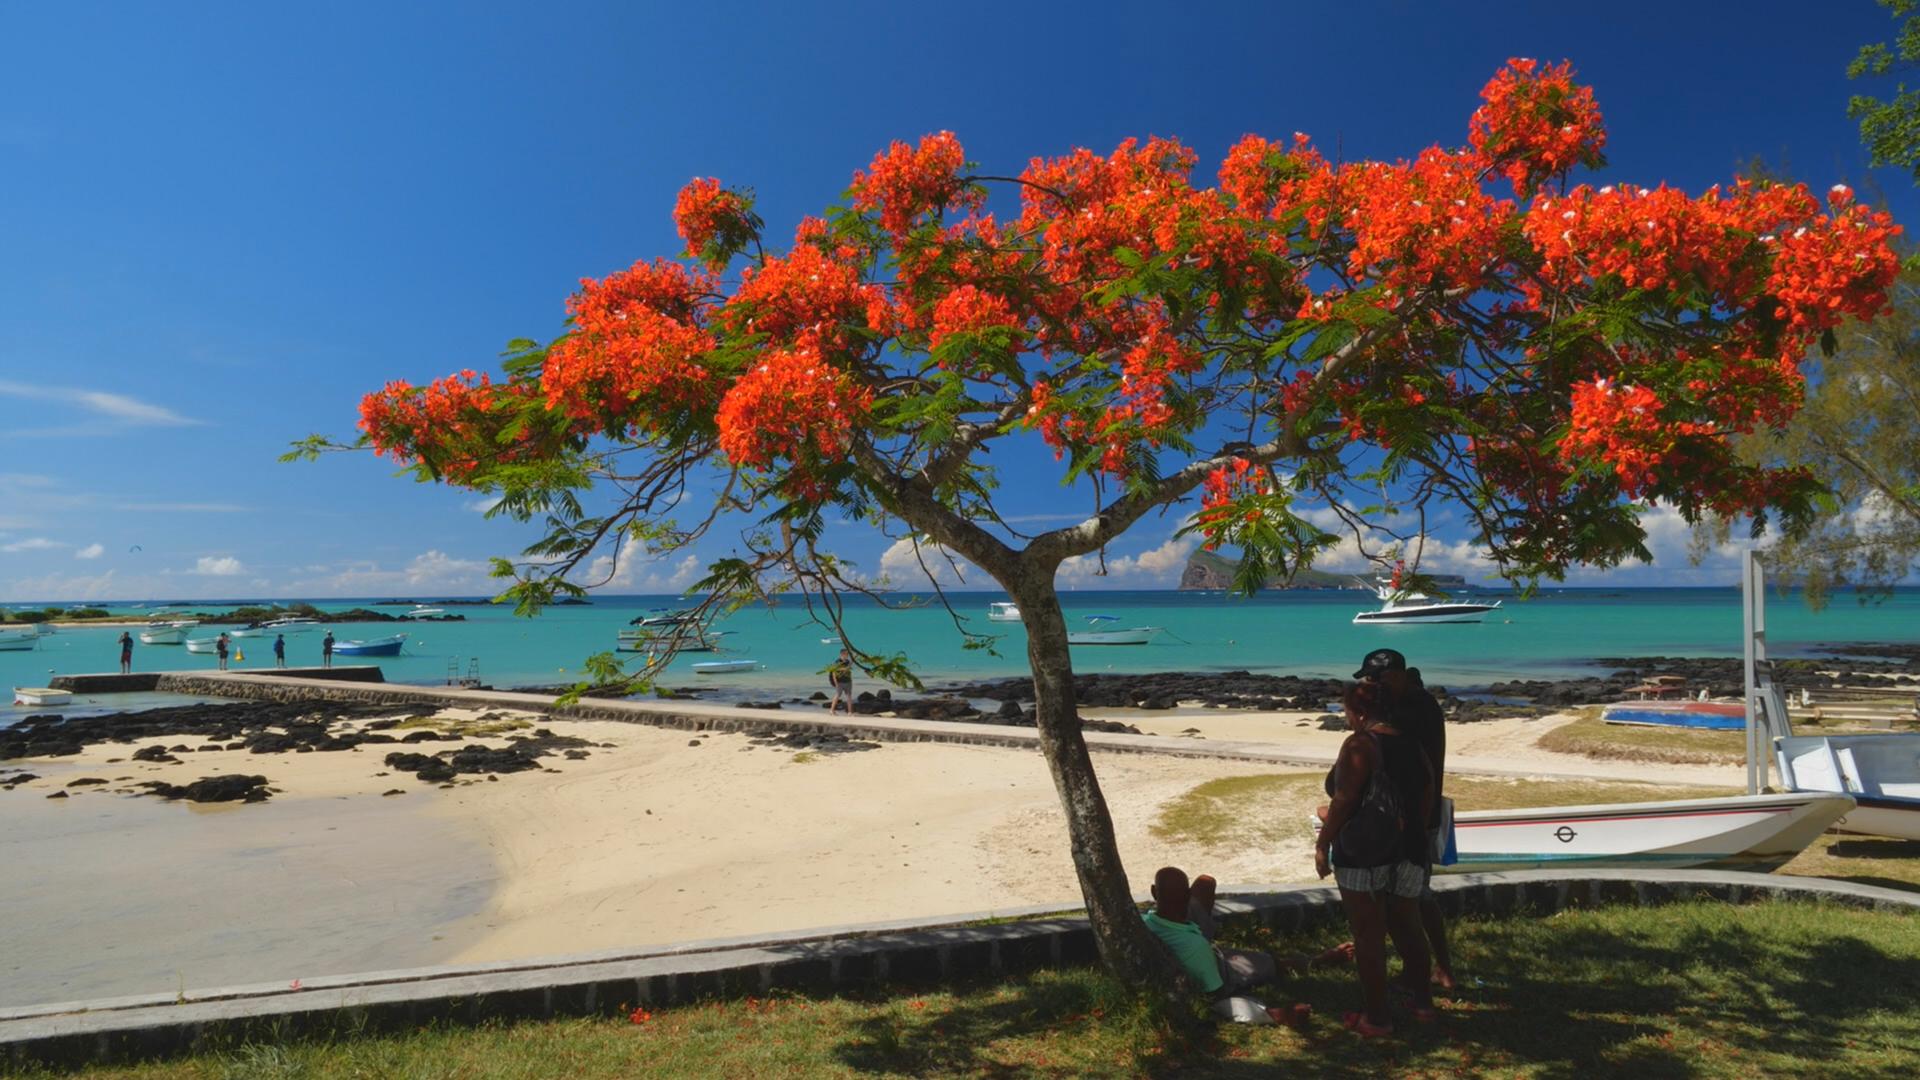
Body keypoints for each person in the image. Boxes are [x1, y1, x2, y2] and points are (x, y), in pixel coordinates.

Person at [1315, 678, 1435, 1037]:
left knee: (1368, 935)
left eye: (1348, 711)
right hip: (1409, 849)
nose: (1347, 718)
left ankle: (1377, 1018)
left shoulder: (1360, 744)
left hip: (1365, 854)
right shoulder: (1413, 743)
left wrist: (1323, 842)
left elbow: (1344, 800)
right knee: (1409, 927)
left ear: (1361, 712)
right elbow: (1427, 793)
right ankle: (1423, 1003)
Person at [1355, 647, 1458, 992]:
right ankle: (1429, 968)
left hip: (1412, 816)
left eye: (1376, 679)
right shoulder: (1416, 702)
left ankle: (1433, 969)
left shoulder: (1413, 710)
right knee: (1411, 898)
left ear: (1396, 676)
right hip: (1409, 815)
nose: (1372, 685)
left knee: (1412, 901)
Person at [1142, 867, 1345, 1026]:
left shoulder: (1141, 922)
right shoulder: (1196, 947)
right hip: (1208, 959)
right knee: (1272, 963)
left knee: (1205, 882)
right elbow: (1217, 996)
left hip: (1181, 929)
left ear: (1153, 893)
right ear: (1187, 897)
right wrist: (1271, 1013)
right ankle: (1318, 961)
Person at [827, 648, 854, 715]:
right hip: (840, 682)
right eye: (846, 654)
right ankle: (832, 710)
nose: (847, 655)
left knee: (849, 696)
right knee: (837, 695)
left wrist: (851, 663)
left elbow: (848, 669)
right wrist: (835, 682)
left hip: (848, 681)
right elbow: (833, 672)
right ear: (842, 654)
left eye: (847, 654)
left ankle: (850, 712)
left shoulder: (847, 661)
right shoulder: (837, 662)